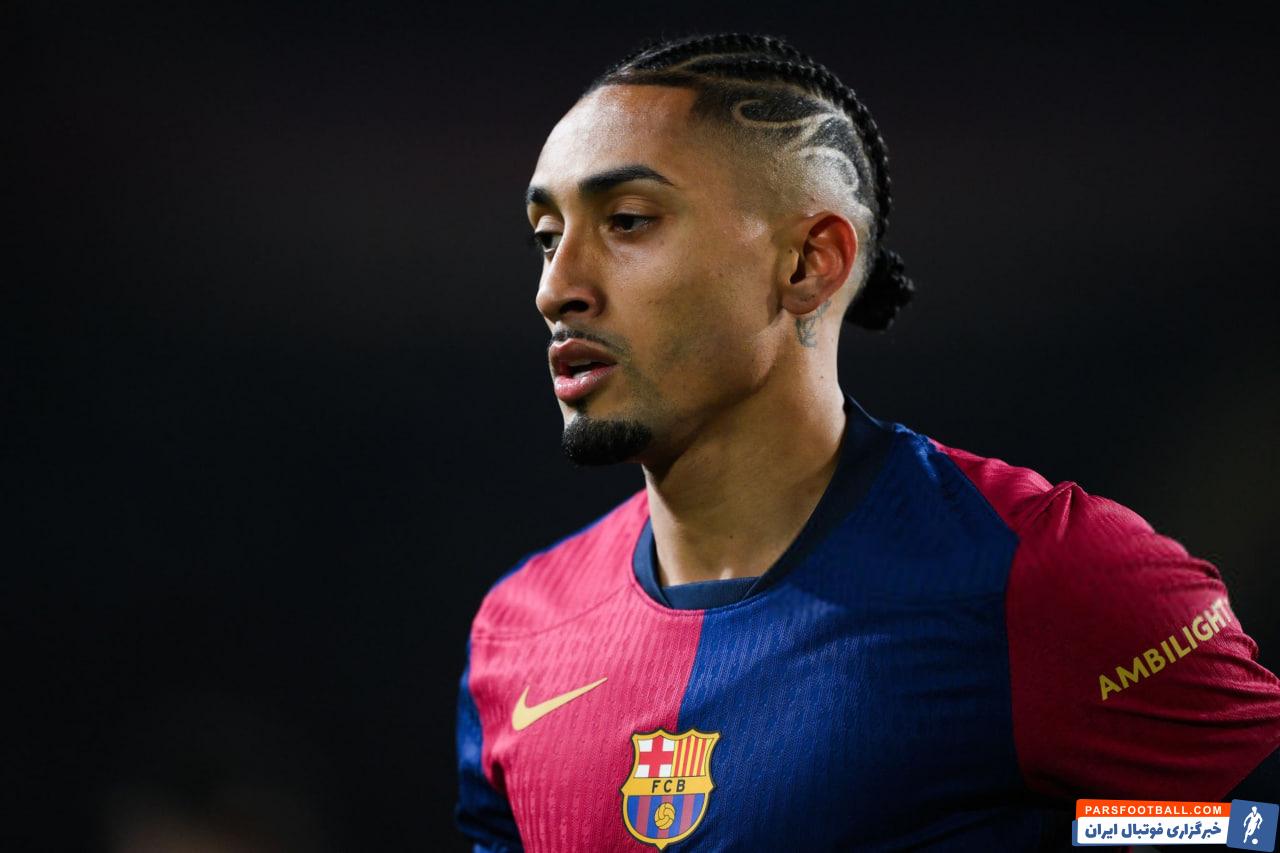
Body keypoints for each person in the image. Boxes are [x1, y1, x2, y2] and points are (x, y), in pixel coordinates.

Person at [454, 32, 1280, 851]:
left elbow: (1250, 829)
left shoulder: (1036, 573)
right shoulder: (516, 635)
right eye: (547, 236)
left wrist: (1078, 836)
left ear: (808, 263)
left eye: (628, 221)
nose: (556, 288)